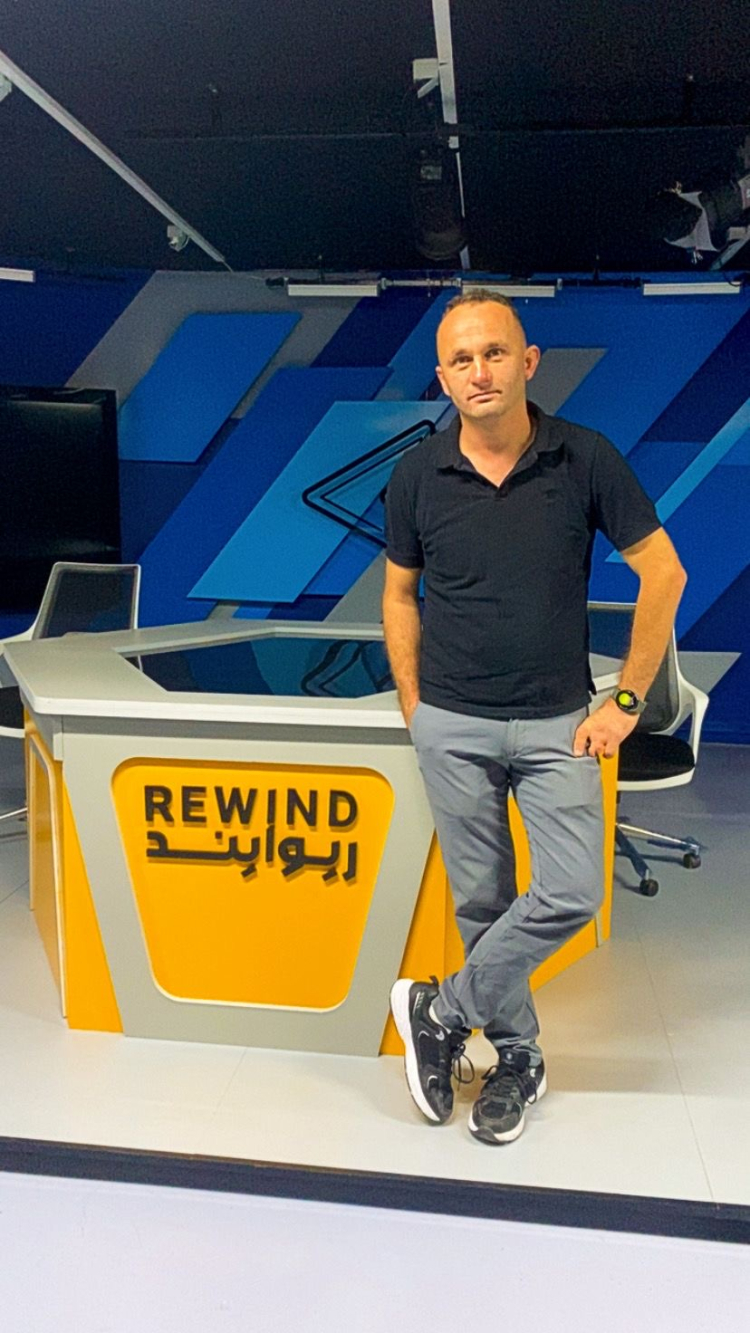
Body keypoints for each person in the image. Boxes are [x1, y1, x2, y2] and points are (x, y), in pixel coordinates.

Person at [383, 289, 687, 1145]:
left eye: (494, 353)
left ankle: (440, 1010)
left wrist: (625, 701)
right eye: (461, 359)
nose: (479, 371)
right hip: (452, 722)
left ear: (528, 362)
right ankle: (516, 1057)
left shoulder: (585, 458)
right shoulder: (417, 474)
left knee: (571, 890)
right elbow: (399, 594)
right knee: (482, 901)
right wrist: (413, 702)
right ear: (443, 377)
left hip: (559, 723)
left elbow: (664, 574)